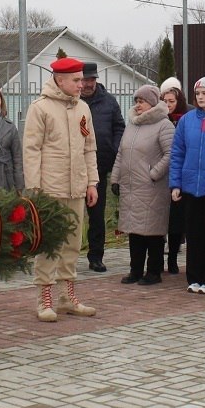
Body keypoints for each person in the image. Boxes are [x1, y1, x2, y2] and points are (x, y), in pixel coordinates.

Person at [24, 57, 99, 322]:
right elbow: (31, 150)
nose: (82, 84)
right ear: (60, 80)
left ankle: (67, 296)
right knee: (50, 243)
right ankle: (44, 297)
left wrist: (92, 182)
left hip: (77, 186)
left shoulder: (84, 109)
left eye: (81, 79)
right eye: (76, 80)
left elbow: (89, 147)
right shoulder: (40, 108)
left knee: (73, 243)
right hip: (50, 188)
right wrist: (34, 188)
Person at [170, 73, 205, 295]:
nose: (201, 97)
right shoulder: (186, 120)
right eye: (197, 94)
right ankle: (194, 277)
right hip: (190, 186)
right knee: (195, 235)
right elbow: (177, 153)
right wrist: (176, 184)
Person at [111, 85, 174, 285]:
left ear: (153, 103)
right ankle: (135, 270)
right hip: (131, 186)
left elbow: (171, 154)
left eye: (142, 101)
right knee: (135, 231)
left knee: (153, 232)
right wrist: (115, 178)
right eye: (136, 101)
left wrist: (153, 174)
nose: (138, 105)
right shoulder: (132, 124)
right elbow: (121, 153)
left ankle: (154, 272)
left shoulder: (164, 125)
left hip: (152, 187)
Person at [80, 62, 125, 273]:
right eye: (84, 79)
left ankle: (96, 256)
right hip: (73, 167)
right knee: (73, 214)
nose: (88, 84)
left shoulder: (109, 102)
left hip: (99, 167)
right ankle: (68, 256)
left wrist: (113, 148)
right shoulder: (71, 101)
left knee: (97, 215)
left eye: (91, 79)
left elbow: (119, 127)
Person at [162, 85, 188, 274]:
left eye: (172, 101)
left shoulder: (184, 120)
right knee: (165, 220)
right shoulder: (159, 120)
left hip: (180, 175)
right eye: (165, 101)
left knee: (177, 221)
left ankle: (174, 258)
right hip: (162, 176)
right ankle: (164, 258)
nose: (168, 105)